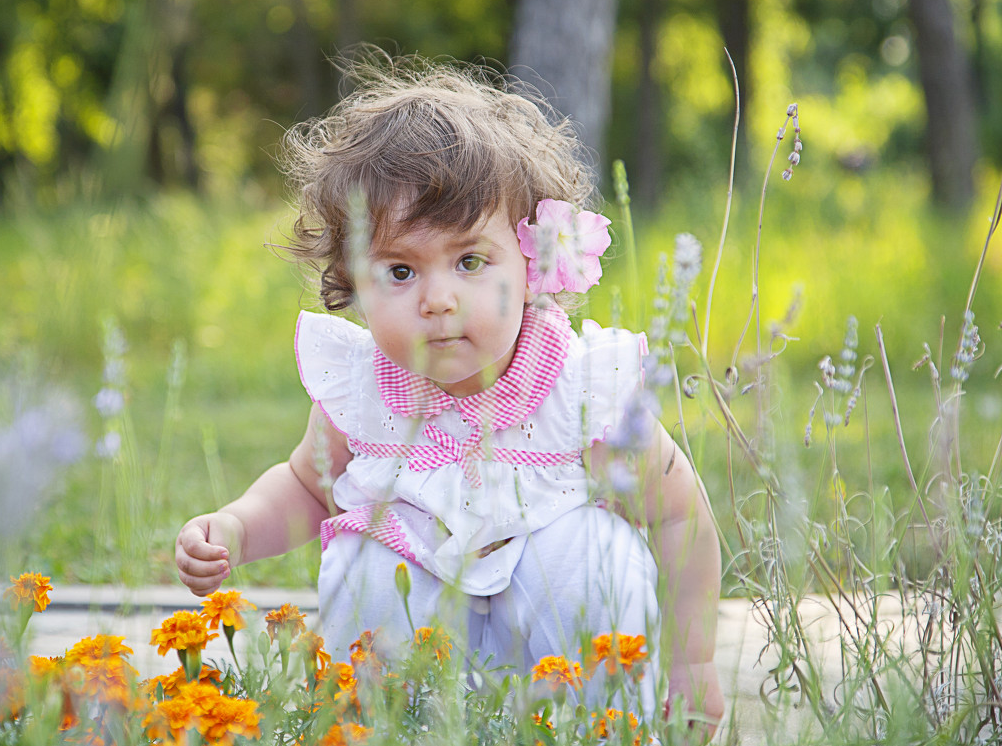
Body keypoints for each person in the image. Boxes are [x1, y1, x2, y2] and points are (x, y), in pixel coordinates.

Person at [176, 56, 724, 733]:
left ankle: (600, 726)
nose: (438, 300)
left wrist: (693, 664)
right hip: (421, 655)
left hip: (562, 663)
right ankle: (388, 723)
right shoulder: (365, 392)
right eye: (400, 270)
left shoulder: (582, 389)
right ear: (353, 280)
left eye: (469, 261)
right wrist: (234, 525)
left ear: (532, 265)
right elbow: (307, 484)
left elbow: (679, 515)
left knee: (592, 557)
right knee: (367, 561)